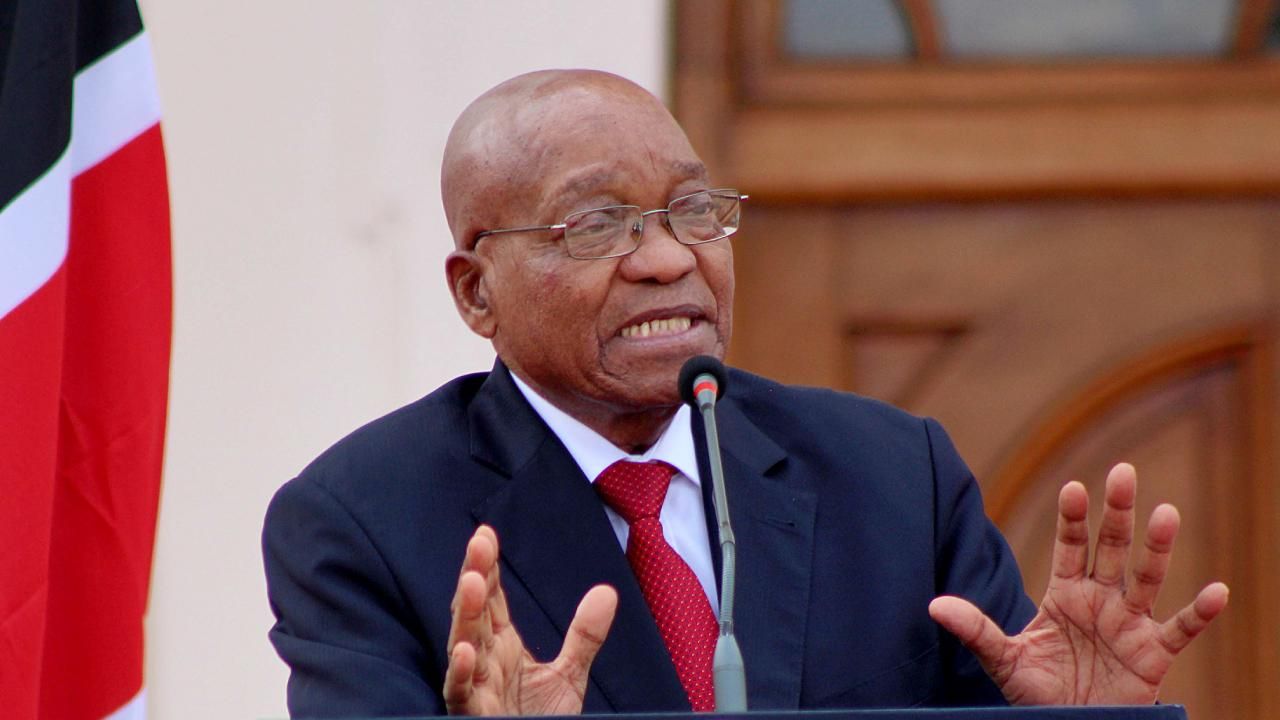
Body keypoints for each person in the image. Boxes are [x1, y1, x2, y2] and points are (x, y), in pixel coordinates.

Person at [262, 69, 1229, 718]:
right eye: (597, 224)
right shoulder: (362, 524)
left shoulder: (895, 476)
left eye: (694, 210)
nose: (669, 259)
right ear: (478, 293)